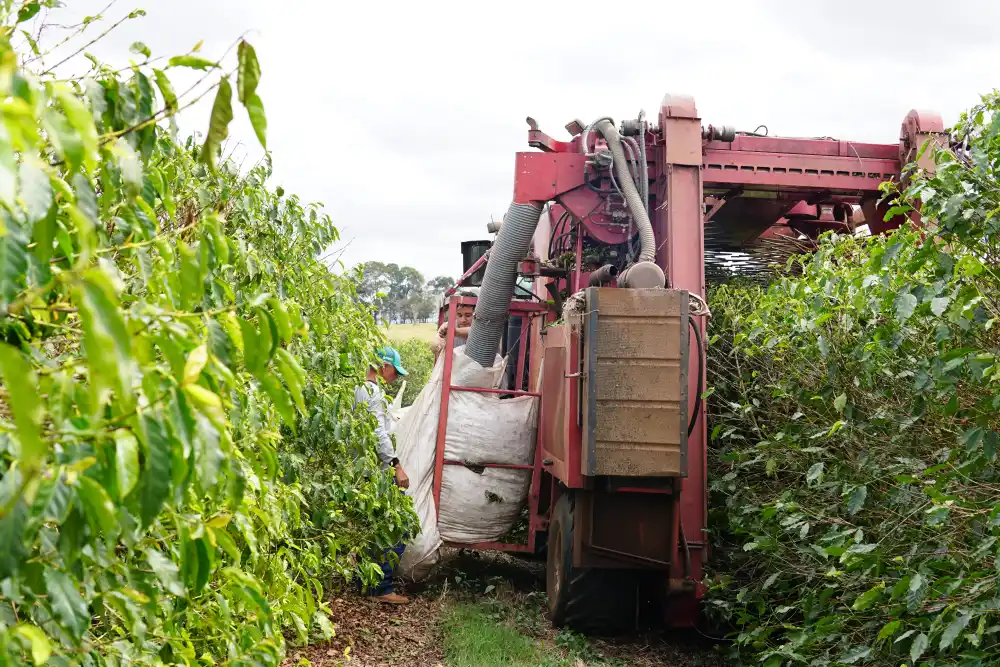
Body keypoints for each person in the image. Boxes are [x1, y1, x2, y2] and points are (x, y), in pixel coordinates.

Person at [352, 346, 411, 604]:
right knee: (398, 525)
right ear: (384, 367)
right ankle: (382, 588)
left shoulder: (356, 388)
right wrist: (395, 464)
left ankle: (364, 581)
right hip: (375, 470)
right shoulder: (373, 391)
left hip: (358, 469)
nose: (394, 378)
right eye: (394, 372)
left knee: (369, 527)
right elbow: (378, 433)